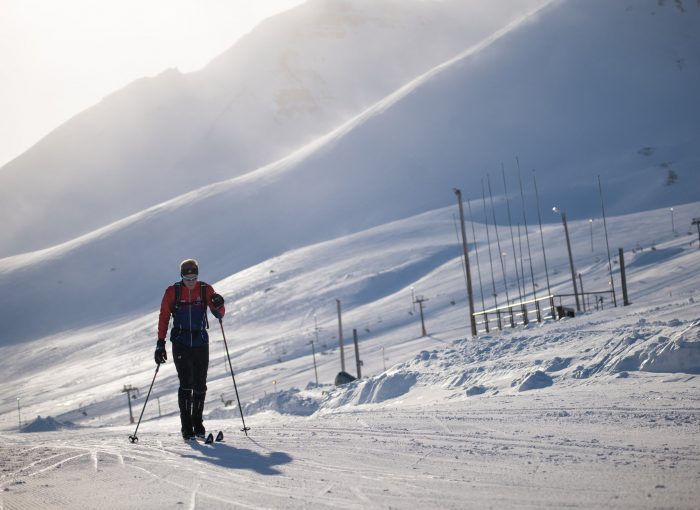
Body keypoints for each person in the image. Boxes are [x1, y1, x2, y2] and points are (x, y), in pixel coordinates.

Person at [155, 259, 225, 440]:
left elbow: (219, 314)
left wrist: (218, 304)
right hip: (181, 341)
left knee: (200, 385)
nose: (192, 281)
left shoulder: (205, 289)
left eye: (195, 276)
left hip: (201, 341)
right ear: (182, 276)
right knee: (186, 384)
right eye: (188, 277)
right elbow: (164, 316)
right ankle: (187, 428)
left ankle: (198, 424)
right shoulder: (173, 291)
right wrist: (160, 343)